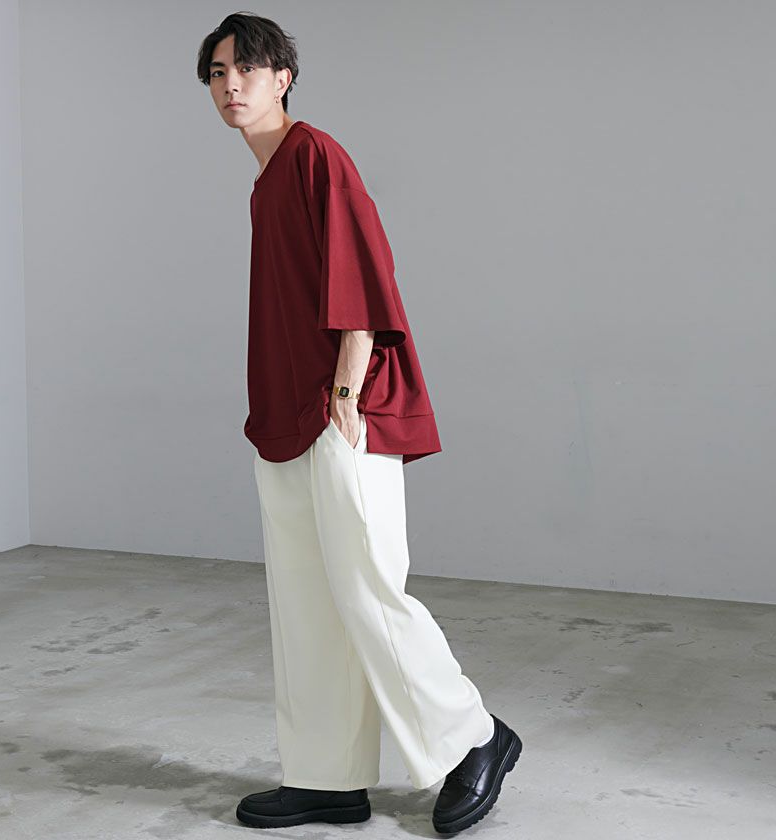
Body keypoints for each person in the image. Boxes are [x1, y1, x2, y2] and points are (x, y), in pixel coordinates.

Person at [196, 12, 522, 834]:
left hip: (341, 411)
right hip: (285, 416)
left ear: (283, 77)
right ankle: (326, 778)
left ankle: (474, 737)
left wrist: (344, 397)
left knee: (367, 587)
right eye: (217, 72)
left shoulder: (316, 156)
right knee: (305, 601)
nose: (231, 84)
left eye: (246, 68)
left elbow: (362, 282)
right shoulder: (266, 181)